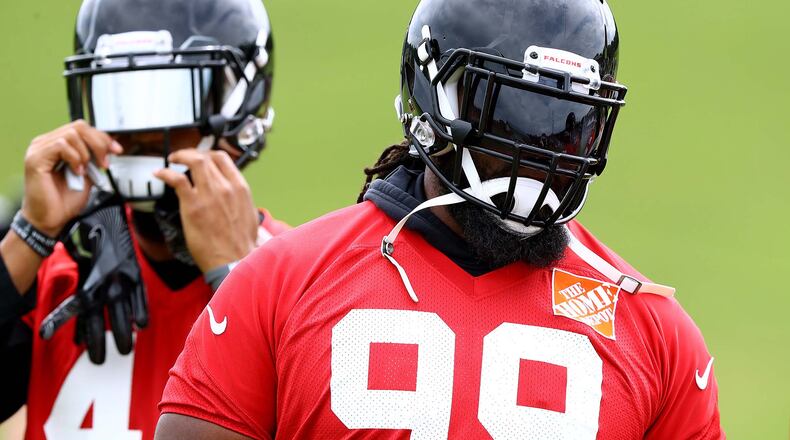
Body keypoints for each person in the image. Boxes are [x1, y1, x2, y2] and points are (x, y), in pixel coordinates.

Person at [156, 0, 723, 438]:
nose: (544, 148)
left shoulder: (657, 334)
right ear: (434, 103)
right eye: (514, 112)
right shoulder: (281, 284)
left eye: (569, 119)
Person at [0, 0, 288, 438]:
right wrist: (30, 235)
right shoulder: (56, 274)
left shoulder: (303, 279)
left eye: (170, 97)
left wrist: (234, 280)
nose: (142, 133)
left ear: (235, 108)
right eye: (120, 99)